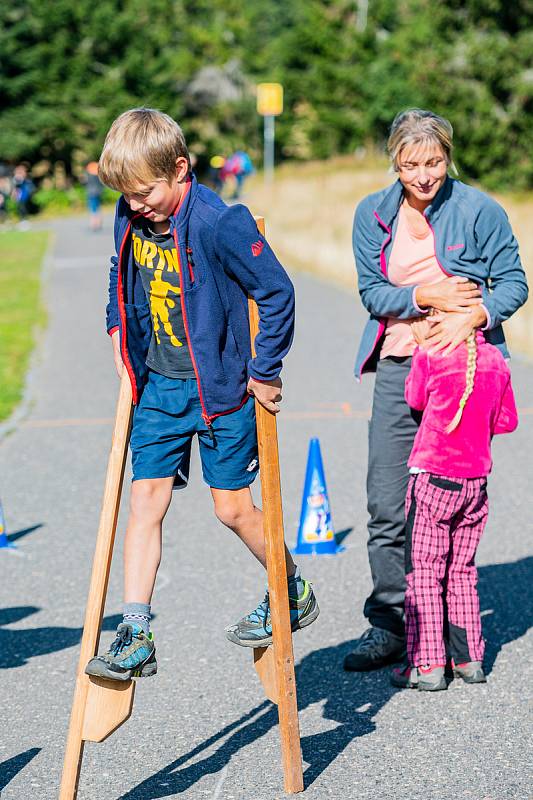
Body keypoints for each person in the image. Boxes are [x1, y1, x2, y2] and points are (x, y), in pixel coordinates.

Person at [85, 108, 319, 681]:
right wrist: (119, 332)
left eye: (145, 191)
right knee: (146, 503)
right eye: (126, 193)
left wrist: (265, 369)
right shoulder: (130, 215)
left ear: (180, 169)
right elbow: (121, 278)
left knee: (231, 508)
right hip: (161, 387)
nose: (135, 203)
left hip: (221, 391)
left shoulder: (220, 223)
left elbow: (278, 292)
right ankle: (136, 630)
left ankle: (290, 587)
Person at [344, 108, 528, 672]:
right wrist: (428, 295)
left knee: (452, 500)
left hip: (462, 373)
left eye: (434, 162)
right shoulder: (372, 214)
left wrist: (473, 318)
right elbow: (373, 292)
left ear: (448, 157)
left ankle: (452, 624)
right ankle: (391, 624)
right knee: (386, 502)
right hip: (401, 367)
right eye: (411, 164)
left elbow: (515, 283)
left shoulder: (479, 210)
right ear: (394, 162)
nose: (424, 175)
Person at [390, 321, 518, 691]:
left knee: (425, 573)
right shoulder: (496, 359)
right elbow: (508, 420)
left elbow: (414, 398)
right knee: (461, 570)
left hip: (432, 477)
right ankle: (468, 657)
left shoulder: (432, 354)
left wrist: (419, 351)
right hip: (475, 481)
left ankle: (427, 663)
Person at [85, 161, 103, 231]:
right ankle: (98, 221)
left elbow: (85, 182)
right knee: (98, 207)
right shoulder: (97, 175)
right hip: (98, 192)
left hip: (90, 192)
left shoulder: (88, 175)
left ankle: (93, 223)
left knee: (92, 208)